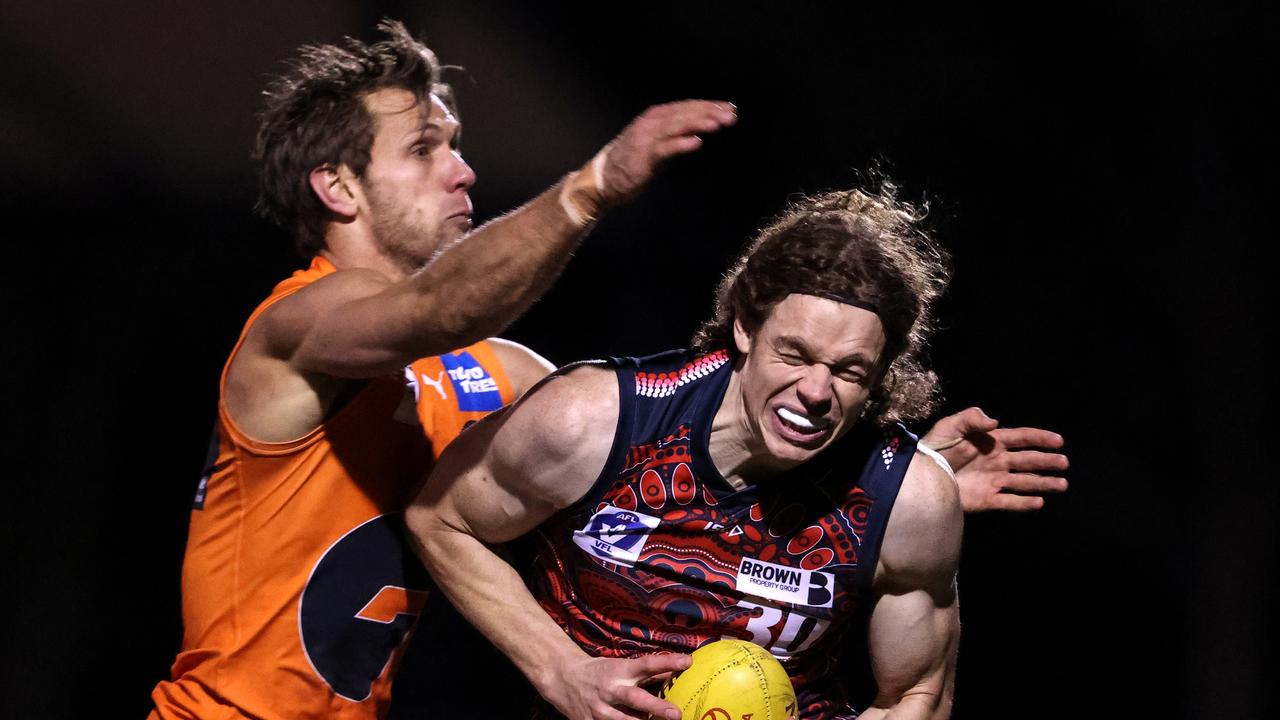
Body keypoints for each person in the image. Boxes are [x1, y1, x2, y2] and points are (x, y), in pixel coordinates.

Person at [147, 19, 738, 720]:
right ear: (339, 187)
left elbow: (650, 448)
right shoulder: (295, 325)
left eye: (454, 146)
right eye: (425, 149)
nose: (463, 171)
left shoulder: (494, 372)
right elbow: (440, 307)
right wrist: (590, 188)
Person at [406, 182, 1041, 720]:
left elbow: (917, 694)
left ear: (881, 376)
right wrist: (560, 669)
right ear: (744, 327)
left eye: (849, 371)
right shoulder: (592, 421)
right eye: (794, 355)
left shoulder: (909, 503)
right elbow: (440, 518)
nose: (816, 391)